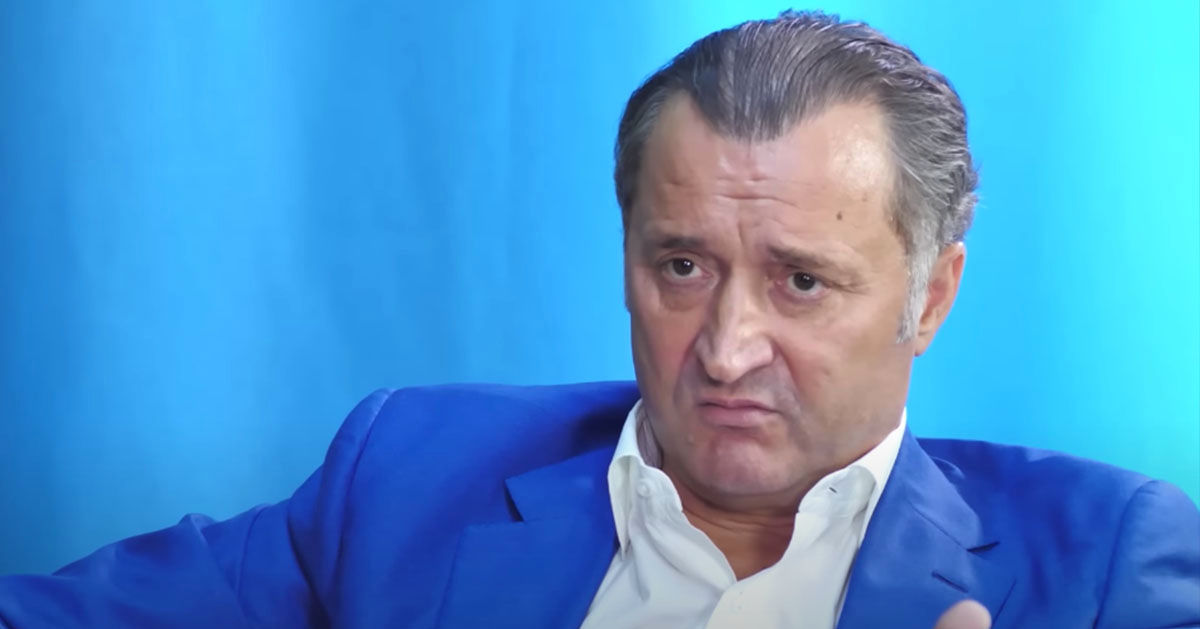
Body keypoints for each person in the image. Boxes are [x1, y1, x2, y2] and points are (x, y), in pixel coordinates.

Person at [1, 9, 1197, 629]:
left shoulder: (1104, 562)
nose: (726, 347)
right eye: (682, 265)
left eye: (801, 281)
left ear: (930, 295)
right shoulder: (409, 476)